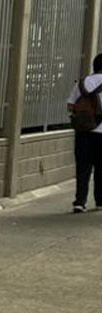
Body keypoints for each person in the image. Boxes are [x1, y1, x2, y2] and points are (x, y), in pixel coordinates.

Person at [67, 53, 102, 212]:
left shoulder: (82, 83)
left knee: (83, 167)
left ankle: (80, 201)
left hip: (83, 131)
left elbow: (70, 105)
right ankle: (100, 200)